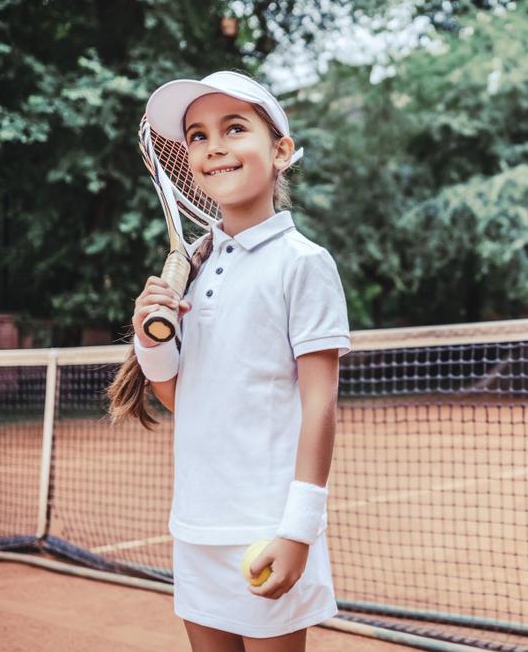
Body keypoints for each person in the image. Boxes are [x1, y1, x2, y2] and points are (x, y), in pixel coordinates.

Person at [106, 70, 351, 652]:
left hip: (264, 525)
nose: (213, 146)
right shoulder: (195, 261)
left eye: (234, 128)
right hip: (195, 525)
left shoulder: (304, 263)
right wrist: (151, 338)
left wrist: (297, 530)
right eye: (196, 136)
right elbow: (178, 396)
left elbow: (320, 405)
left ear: (281, 150)